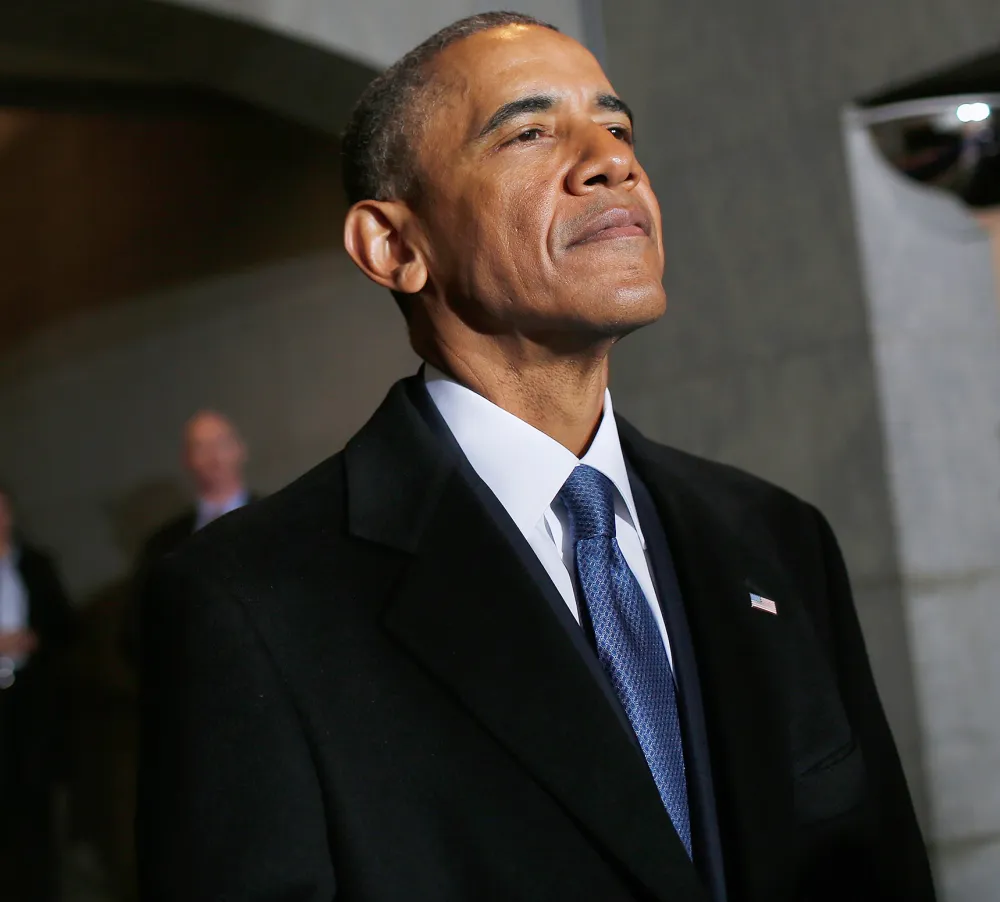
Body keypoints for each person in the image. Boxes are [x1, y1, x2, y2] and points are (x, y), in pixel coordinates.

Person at [136, 12, 936, 902]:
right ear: (393, 246)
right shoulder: (255, 603)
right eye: (527, 132)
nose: (612, 161)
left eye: (619, 127)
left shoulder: (776, 539)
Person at [122, 410, 252, 665]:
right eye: (201, 447)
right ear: (187, 459)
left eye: (221, 443)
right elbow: (136, 629)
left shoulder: (273, 520)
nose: (214, 457)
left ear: (240, 449)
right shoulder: (162, 544)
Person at [0, 485, 76, 902]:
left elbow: (64, 626)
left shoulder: (35, 565)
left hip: (29, 703)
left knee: (35, 811)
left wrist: (34, 638)